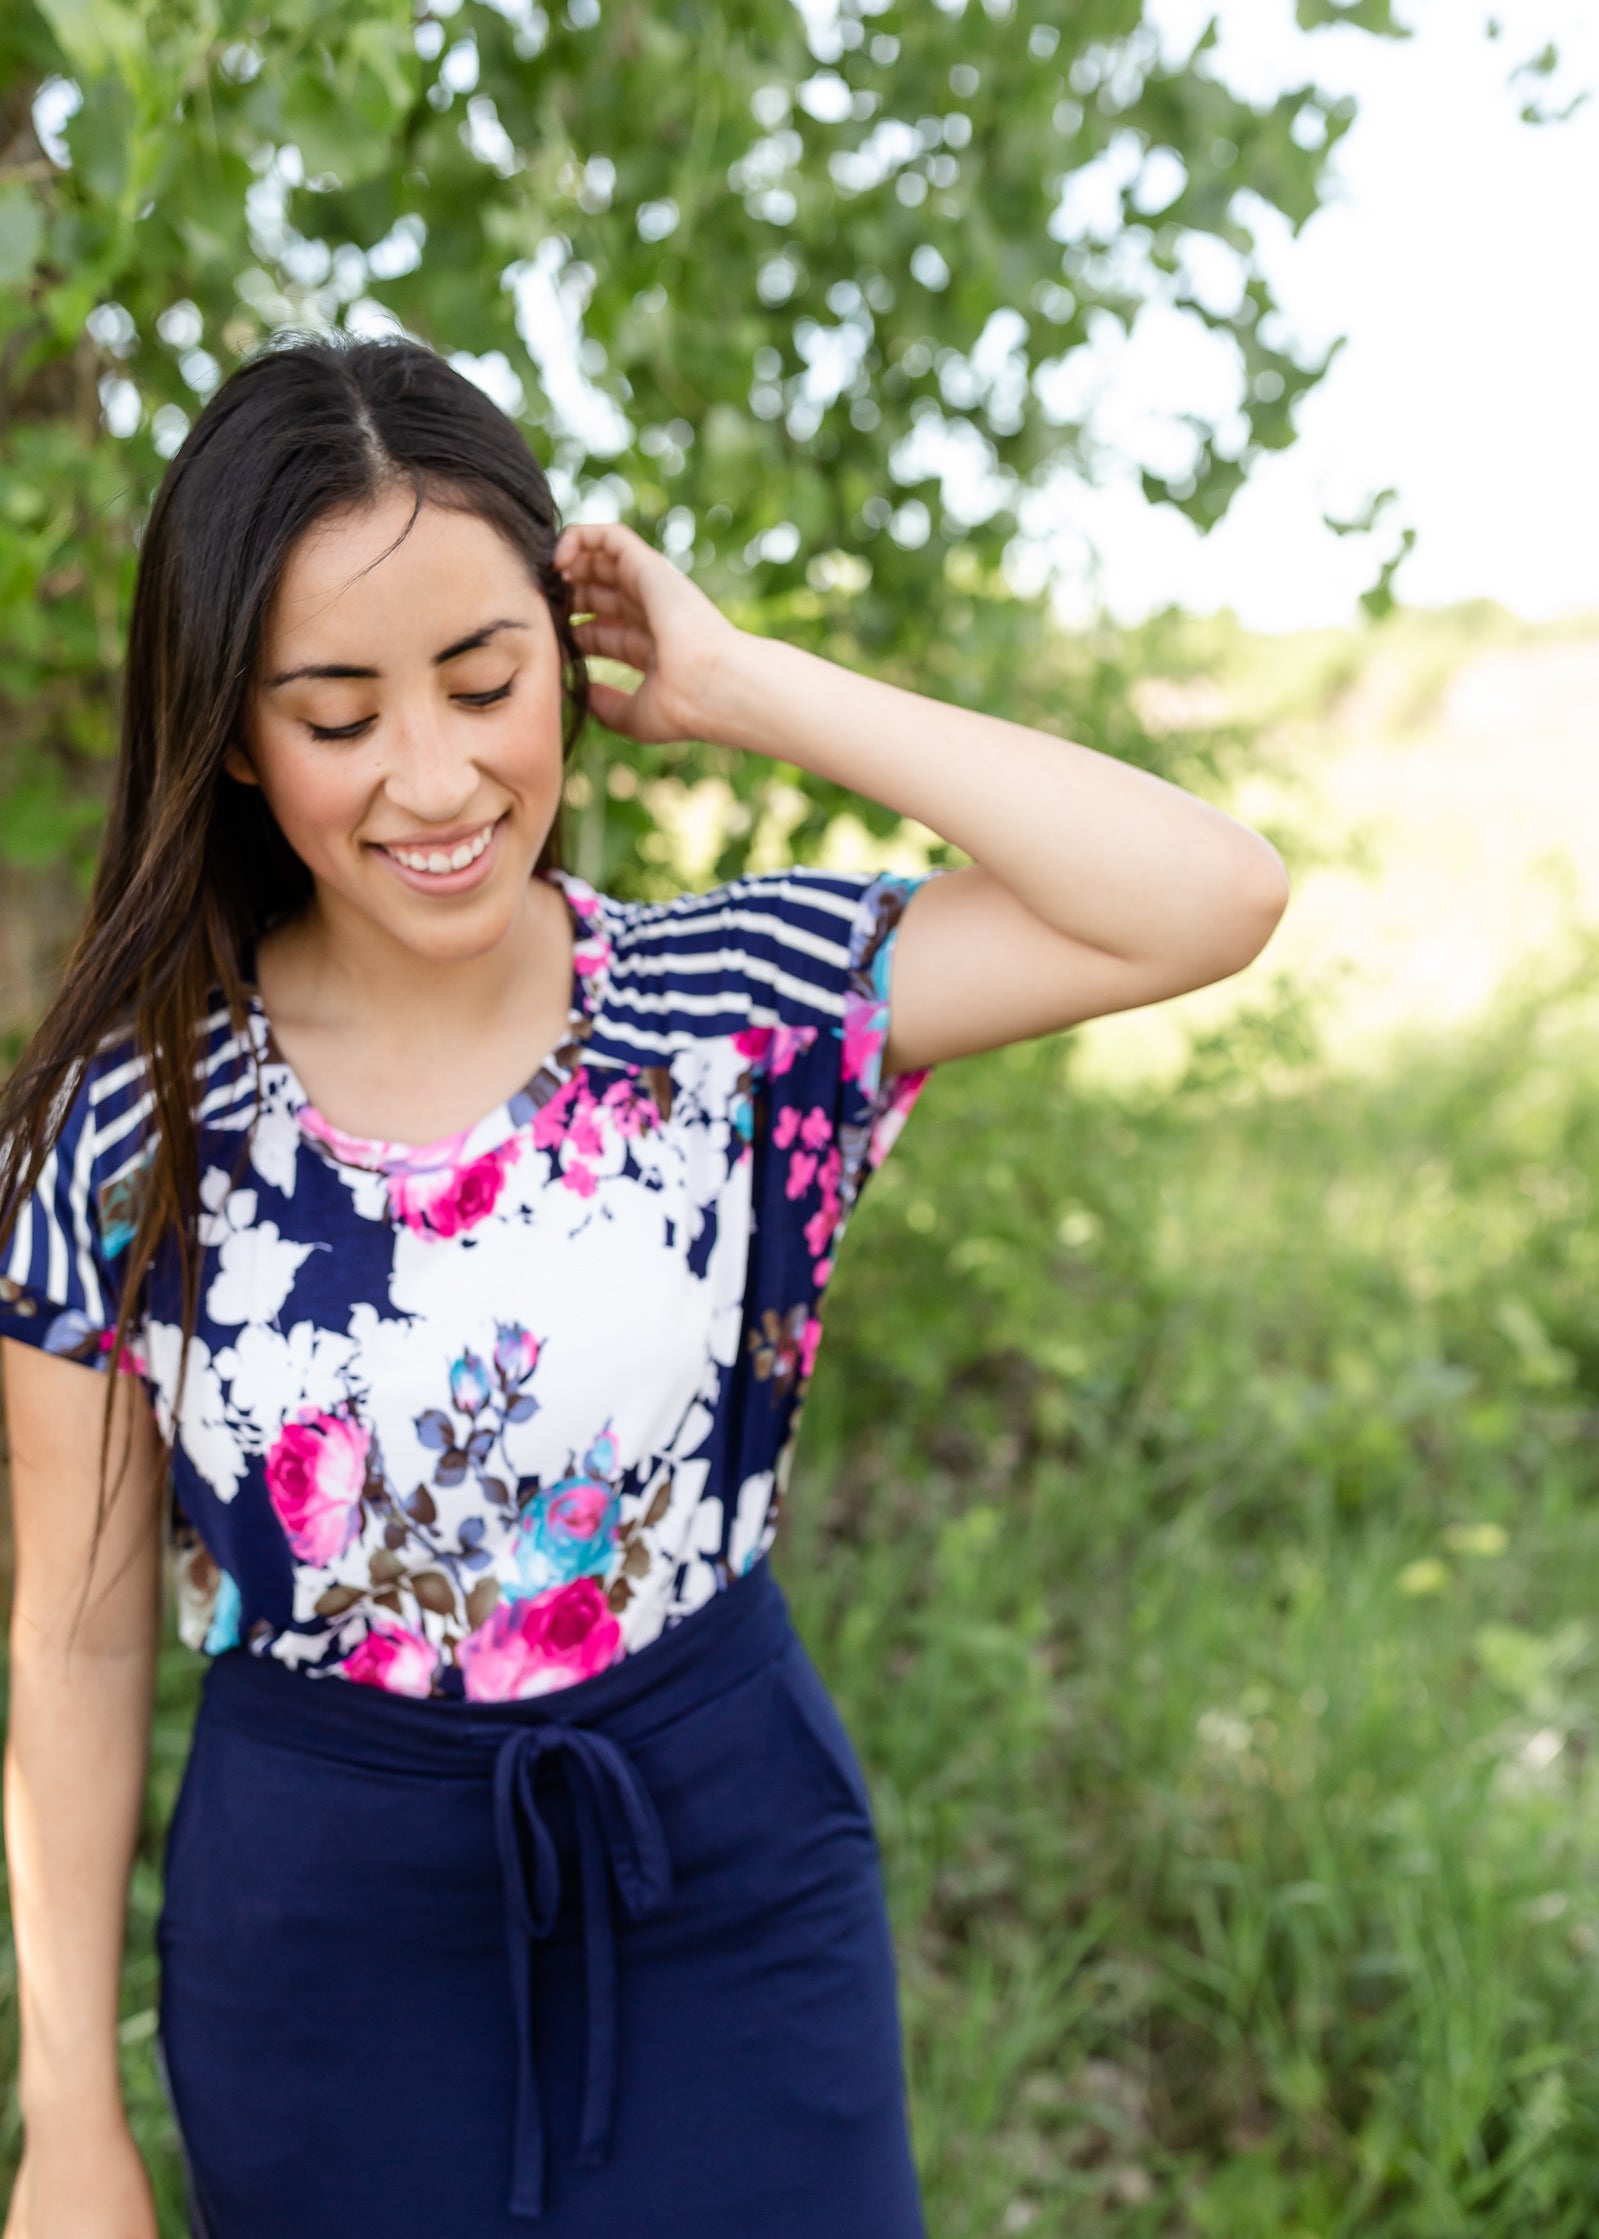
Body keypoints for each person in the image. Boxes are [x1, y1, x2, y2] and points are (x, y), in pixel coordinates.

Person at [0, 333, 1288, 2239]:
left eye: (485, 679)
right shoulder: (127, 1132)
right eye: (338, 716)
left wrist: (746, 682)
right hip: (322, 1940)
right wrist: (70, 2123)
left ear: (569, 662)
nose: (430, 776)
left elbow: (1206, 896)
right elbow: (80, 1641)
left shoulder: (733, 1010)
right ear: (234, 736)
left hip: (726, 1870)